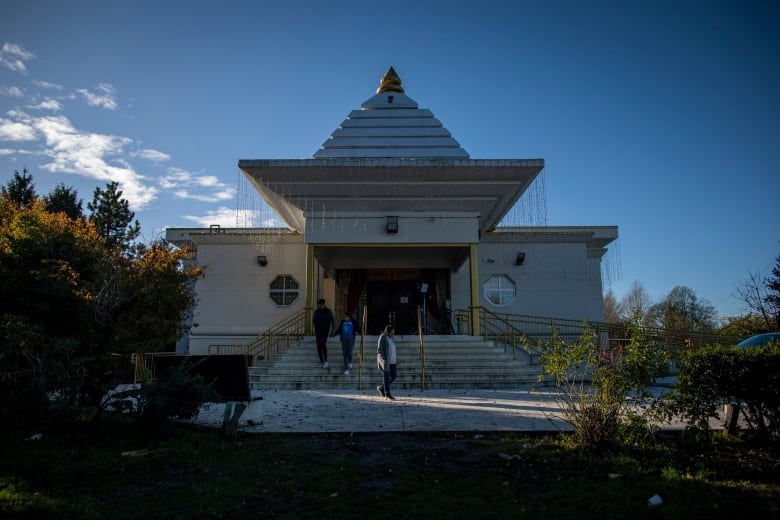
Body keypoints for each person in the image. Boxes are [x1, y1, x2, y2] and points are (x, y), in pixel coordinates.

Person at [376, 324, 397, 400]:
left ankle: (382, 387)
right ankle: (387, 394)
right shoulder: (383, 337)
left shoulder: (392, 338)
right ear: (387, 332)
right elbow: (379, 349)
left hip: (393, 360)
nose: (392, 334)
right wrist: (384, 359)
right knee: (386, 377)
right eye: (391, 332)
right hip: (386, 361)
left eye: (393, 333)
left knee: (394, 376)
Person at [312, 298, 334, 368]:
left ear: (324, 304)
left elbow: (332, 321)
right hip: (318, 331)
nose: (321, 306)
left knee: (323, 344)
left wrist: (332, 331)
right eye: (320, 305)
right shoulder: (316, 312)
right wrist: (313, 330)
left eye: (322, 304)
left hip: (325, 331)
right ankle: (322, 361)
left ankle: (326, 361)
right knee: (318, 346)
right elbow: (314, 321)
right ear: (319, 305)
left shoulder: (328, 311)